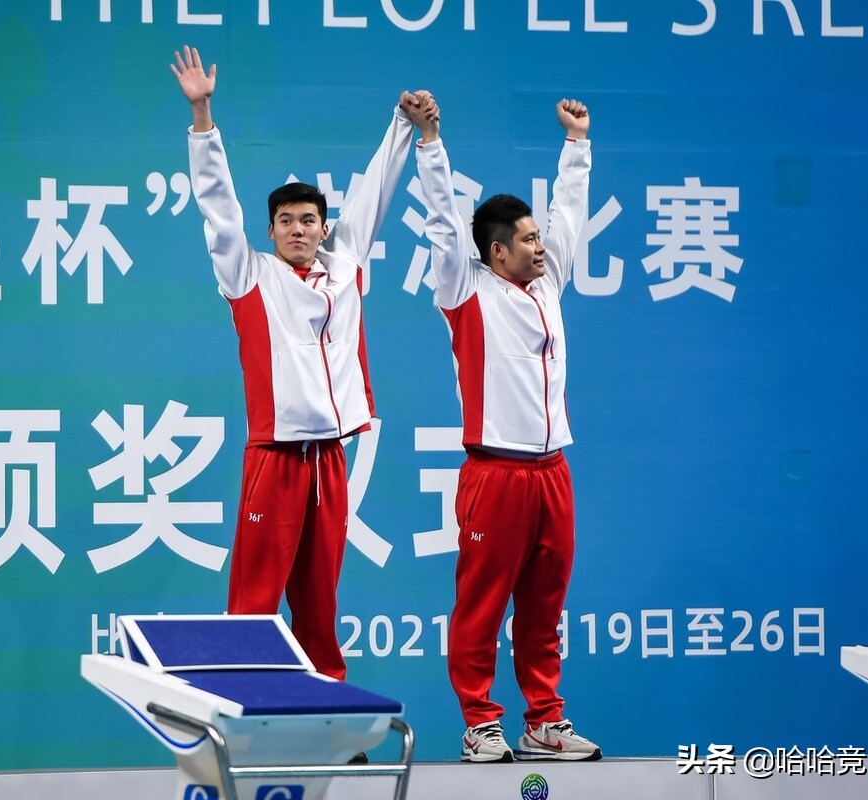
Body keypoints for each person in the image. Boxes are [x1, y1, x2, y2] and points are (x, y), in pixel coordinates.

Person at [170, 46, 430, 681]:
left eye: (308, 221)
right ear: (270, 232)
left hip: (330, 462)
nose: (297, 230)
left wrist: (403, 125)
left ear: (322, 227)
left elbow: (373, 196)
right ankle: (234, 718)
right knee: (255, 604)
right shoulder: (250, 277)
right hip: (277, 459)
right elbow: (218, 209)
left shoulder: (345, 268)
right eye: (284, 222)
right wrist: (203, 115)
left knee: (319, 606)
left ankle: (327, 717)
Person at [401, 94, 602, 761]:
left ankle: (544, 720)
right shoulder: (466, 291)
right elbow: (440, 220)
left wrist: (577, 145)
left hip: (554, 471)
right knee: (483, 607)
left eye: (538, 238)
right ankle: (480, 723)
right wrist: (430, 140)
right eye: (527, 240)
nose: (541, 246)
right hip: (495, 473)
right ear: (494, 250)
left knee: (546, 604)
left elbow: (570, 214)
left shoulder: (547, 282)